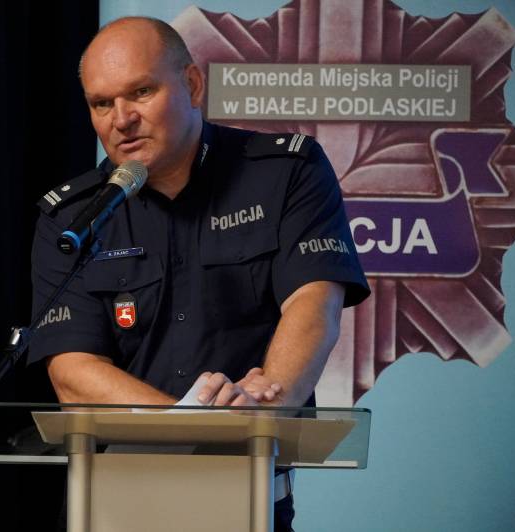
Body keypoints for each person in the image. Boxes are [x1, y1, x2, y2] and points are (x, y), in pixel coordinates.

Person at [27, 16, 369, 531]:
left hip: (246, 494)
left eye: (141, 92)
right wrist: (196, 429)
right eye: (101, 103)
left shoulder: (287, 173)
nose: (122, 119)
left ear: (191, 84)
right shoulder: (72, 218)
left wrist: (260, 406)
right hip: (113, 500)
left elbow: (314, 303)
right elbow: (72, 372)